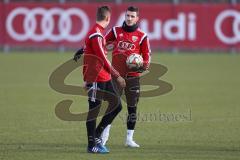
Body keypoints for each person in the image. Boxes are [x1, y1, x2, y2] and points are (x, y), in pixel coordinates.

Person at [101, 6, 151, 148]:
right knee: (112, 105)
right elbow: (102, 43)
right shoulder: (116, 31)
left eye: (132, 16)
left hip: (133, 77)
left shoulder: (142, 36)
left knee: (132, 108)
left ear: (137, 18)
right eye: (127, 15)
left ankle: (129, 139)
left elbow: (147, 56)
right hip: (116, 76)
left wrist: (143, 65)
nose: (129, 18)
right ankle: (104, 138)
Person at [81, 6, 126, 153]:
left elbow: (89, 55)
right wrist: (117, 75)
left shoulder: (98, 33)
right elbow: (101, 59)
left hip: (103, 77)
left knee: (117, 105)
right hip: (95, 78)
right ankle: (91, 145)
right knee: (93, 111)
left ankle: (98, 136)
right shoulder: (96, 34)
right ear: (108, 18)